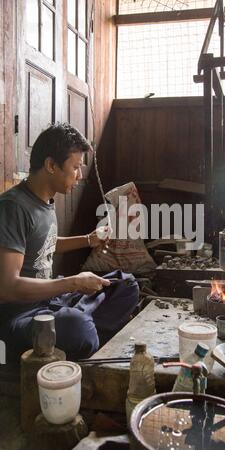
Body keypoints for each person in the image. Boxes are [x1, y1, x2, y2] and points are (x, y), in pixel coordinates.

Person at [0, 123, 139, 362]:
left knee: (127, 285)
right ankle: (80, 330)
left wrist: (88, 240)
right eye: (75, 167)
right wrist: (73, 283)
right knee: (79, 328)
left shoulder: (45, 200)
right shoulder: (13, 207)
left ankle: (78, 329)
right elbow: (8, 287)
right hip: (20, 312)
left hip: (50, 298)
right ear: (51, 165)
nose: (80, 175)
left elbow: (45, 245)